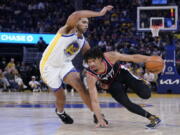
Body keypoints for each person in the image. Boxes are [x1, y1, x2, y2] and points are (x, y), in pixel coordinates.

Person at [39, 6, 113, 124]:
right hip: (49, 66)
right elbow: (77, 14)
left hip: (65, 65)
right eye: (83, 22)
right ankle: (60, 112)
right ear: (76, 22)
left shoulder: (83, 41)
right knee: (61, 96)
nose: (86, 24)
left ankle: (96, 114)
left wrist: (101, 73)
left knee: (80, 86)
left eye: (87, 23)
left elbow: (91, 58)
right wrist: (99, 13)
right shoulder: (66, 30)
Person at [84, 47, 161, 128]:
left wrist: (150, 58)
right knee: (127, 104)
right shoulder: (90, 75)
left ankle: (142, 82)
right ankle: (153, 118)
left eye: (93, 61)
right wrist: (99, 119)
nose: (91, 64)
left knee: (146, 94)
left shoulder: (110, 56)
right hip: (112, 84)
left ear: (100, 59)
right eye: (89, 62)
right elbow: (94, 100)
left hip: (122, 74)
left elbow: (133, 57)